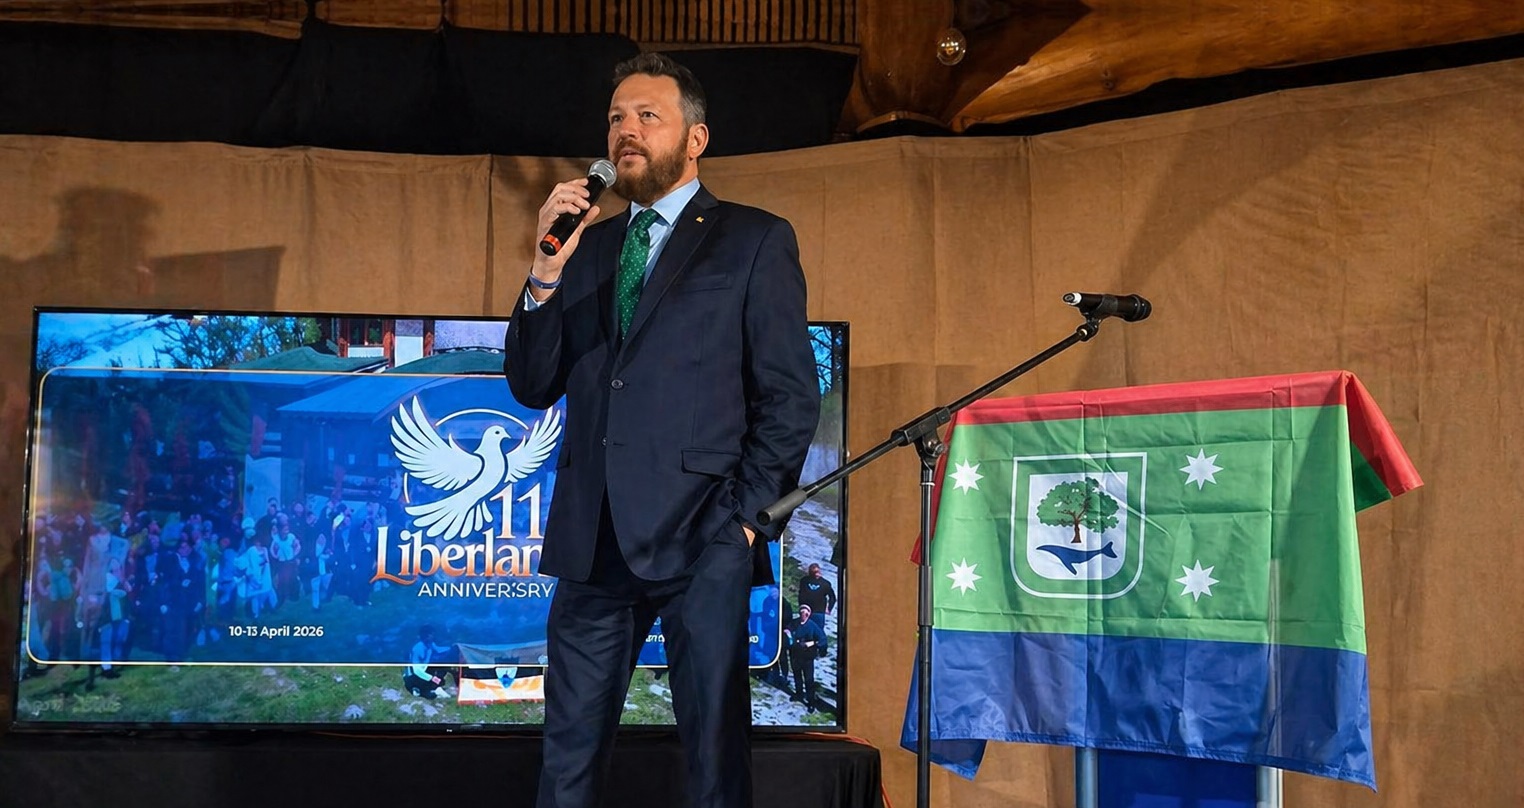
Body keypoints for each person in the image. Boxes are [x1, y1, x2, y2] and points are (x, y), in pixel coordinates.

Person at [502, 52, 820, 808]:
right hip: (592, 542)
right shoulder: (590, 246)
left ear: (696, 138)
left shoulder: (752, 239)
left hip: (702, 535)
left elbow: (789, 397)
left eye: (648, 115)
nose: (626, 131)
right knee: (567, 762)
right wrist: (546, 269)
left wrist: (743, 525)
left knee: (713, 761)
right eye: (616, 118)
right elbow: (531, 380)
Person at [784, 604, 826, 712]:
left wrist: (812, 643)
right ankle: (799, 694)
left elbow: (822, 639)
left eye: (806, 613)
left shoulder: (812, 626)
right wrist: (788, 632)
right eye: (802, 612)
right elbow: (788, 630)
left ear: (809, 614)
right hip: (795, 655)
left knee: (808, 680)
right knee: (797, 677)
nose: (803, 615)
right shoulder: (794, 623)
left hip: (807, 657)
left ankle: (810, 701)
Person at [402, 624, 457, 699]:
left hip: (424, 671)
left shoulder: (430, 644)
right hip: (413, 676)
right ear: (426, 635)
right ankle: (420, 689)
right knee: (426, 692)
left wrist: (452, 648)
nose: (433, 636)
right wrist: (431, 678)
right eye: (431, 634)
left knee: (442, 665)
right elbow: (417, 671)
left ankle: (433, 688)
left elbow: (438, 650)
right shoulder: (418, 649)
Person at [796, 563, 836, 629]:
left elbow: (832, 597)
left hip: (818, 612)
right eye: (814, 572)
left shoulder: (825, 583)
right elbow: (801, 594)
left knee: (818, 631)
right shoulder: (804, 581)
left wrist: (829, 608)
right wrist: (801, 606)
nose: (816, 574)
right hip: (806, 610)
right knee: (805, 630)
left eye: (817, 572)